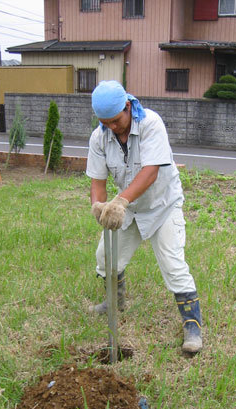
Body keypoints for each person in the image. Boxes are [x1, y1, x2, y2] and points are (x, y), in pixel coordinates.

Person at [86, 80, 202, 353]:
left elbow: (150, 172)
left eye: (115, 120)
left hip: (163, 205)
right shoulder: (99, 137)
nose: (111, 127)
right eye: (105, 122)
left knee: (173, 265)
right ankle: (115, 301)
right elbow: (97, 180)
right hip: (129, 207)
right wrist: (99, 206)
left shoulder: (151, 124)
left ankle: (192, 326)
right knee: (105, 259)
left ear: (127, 106)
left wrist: (121, 201)